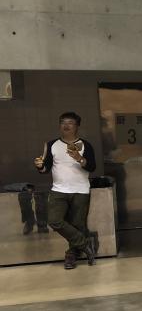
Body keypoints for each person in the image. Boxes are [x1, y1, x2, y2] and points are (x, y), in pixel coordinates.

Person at [34, 111, 97, 269]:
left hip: (80, 190)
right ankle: (85, 244)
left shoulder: (85, 145)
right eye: (63, 122)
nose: (66, 125)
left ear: (77, 126)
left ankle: (71, 256)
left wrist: (79, 158)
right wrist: (40, 166)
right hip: (59, 190)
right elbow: (46, 168)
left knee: (77, 225)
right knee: (54, 220)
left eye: (70, 123)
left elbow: (92, 167)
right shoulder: (51, 145)